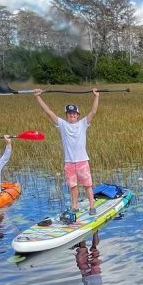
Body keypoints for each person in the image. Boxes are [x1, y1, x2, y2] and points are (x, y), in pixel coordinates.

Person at [34, 89, 100, 221]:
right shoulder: (62, 125)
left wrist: (96, 96)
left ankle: (92, 206)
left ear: (78, 115)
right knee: (73, 186)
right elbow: (48, 112)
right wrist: (37, 97)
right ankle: (75, 206)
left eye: (74, 114)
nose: (72, 115)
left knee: (87, 185)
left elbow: (93, 111)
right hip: (69, 162)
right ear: (66, 116)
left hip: (82, 161)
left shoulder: (83, 124)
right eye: (69, 114)